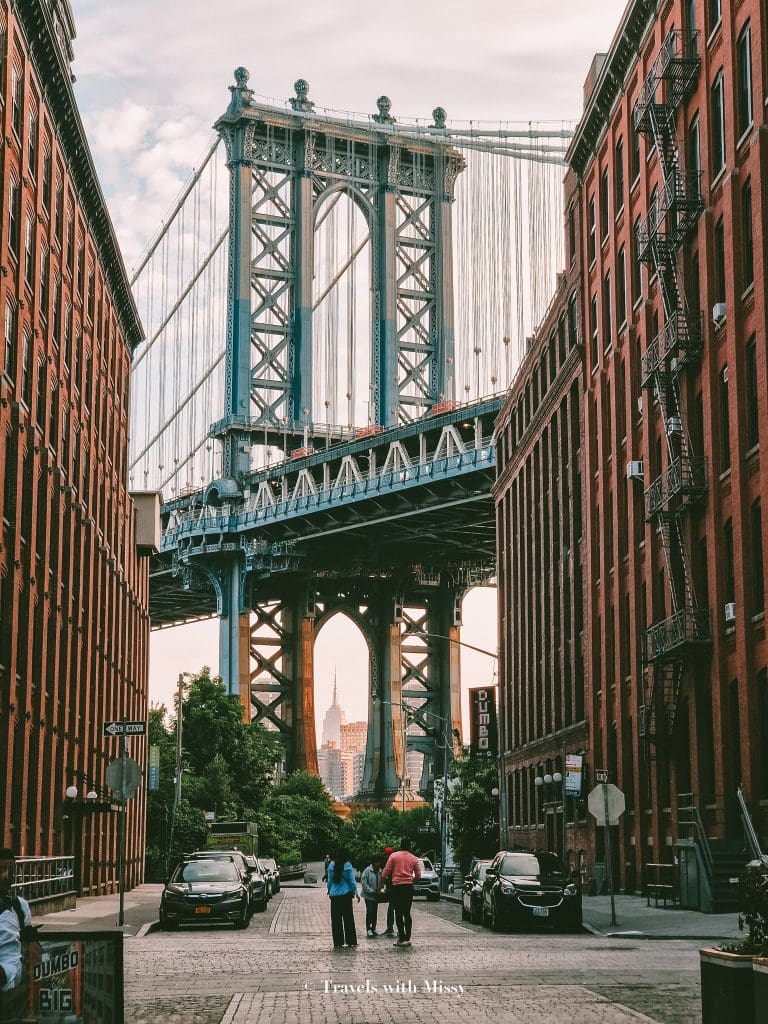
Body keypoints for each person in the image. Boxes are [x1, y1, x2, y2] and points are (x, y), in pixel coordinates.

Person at [0, 849, 32, 1024]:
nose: (6, 876)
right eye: (1, 869)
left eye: (10, 869)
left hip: (14, 997)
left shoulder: (20, 906)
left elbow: (22, 954)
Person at [380, 836, 421, 947]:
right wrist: (412, 881)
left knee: (398, 912)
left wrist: (380, 886)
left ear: (400, 845)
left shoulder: (393, 856)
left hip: (396, 887)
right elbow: (418, 876)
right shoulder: (414, 858)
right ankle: (408, 937)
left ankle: (401, 938)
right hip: (408, 887)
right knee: (407, 912)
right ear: (409, 846)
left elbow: (385, 873)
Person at [326, 848, 359, 948]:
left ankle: (338, 942)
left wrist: (329, 890)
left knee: (336, 920)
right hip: (346, 894)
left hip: (334, 895)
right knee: (348, 918)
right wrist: (356, 892)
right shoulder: (347, 865)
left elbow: (330, 881)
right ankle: (351, 941)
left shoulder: (332, 865)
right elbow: (352, 881)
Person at [360, 856, 381, 938]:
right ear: (373, 863)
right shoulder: (367, 871)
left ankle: (373, 928)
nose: (378, 864)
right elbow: (364, 883)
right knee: (370, 911)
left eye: (378, 862)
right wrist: (371, 891)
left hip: (376, 895)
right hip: (368, 895)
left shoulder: (380, 871)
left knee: (375, 911)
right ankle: (368, 928)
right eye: (376, 862)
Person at [381, 847, 396, 935]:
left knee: (392, 909)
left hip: (393, 888)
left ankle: (390, 928)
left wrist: (381, 886)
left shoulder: (390, 862)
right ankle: (390, 928)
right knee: (394, 909)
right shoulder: (393, 861)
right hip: (394, 887)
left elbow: (385, 874)